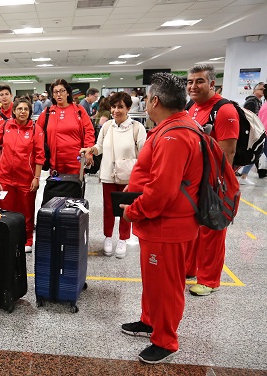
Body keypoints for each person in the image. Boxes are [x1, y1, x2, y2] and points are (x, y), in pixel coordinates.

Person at [120, 73, 203, 364]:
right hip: (158, 225)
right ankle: (149, 321)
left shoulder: (174, 136)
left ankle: (165, 340)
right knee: (154, 281)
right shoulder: (174, 128)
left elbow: (161, 191)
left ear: (154, 100)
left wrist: (134, 210)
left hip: (167, 226)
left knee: (166, 286)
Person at [185, 64, 239, 296]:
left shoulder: (224, 110)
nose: (193, 86)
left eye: (199, 81)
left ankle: (209, 280)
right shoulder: (191, 107)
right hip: (194, 179)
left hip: (215, 181)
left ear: (211, 84)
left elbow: (227, 152)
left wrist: (215, 187)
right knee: (194, 225)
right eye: (190, 82)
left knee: (212, 228)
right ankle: (191, 269)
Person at [81, 92, 147, 258]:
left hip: (128, 176)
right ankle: (108, 237)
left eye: (120, 107)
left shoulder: (137, 128)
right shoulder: (107, 126)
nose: (116, 110)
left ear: (128, 108)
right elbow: (99, 146)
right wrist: (92, 150)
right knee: (108, 208)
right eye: (113, 107)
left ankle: (123, 239)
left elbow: (144, 154)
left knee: (126, 208)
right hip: (108, 174)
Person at [0, 97, 44, 253]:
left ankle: (27, 239)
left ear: (30, 112)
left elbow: (39, 156)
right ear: (14, 111)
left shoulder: (36, 130)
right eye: (20, 109)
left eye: (26, 109)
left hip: (26, 178)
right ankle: (6, 237)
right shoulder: (5, 126)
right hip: (4, 177)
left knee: (26, 211)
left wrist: (36, 178)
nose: (23, 112)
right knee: (5, 211)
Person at [37, 79, 95, 203]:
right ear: (52, 95)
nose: (59, 94)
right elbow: (37, 134)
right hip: (56, 163)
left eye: (62, 91)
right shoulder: (47, 112)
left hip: (76, 163)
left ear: (68, 93)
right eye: (56, 92)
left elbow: (89, 131)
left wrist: (89, 150)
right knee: (56, 197)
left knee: (74, 198)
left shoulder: (78, 110)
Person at [238, 82, 264, 185]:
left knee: (255, 154)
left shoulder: (259, 101)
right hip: (251, 132)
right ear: (255, 90)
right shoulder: (251, 101)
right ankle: (243, 175)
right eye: (261, 89)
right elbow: (247, 117)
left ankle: (243, 174)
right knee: (253, 153)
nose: (263, 91)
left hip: (256, 131)